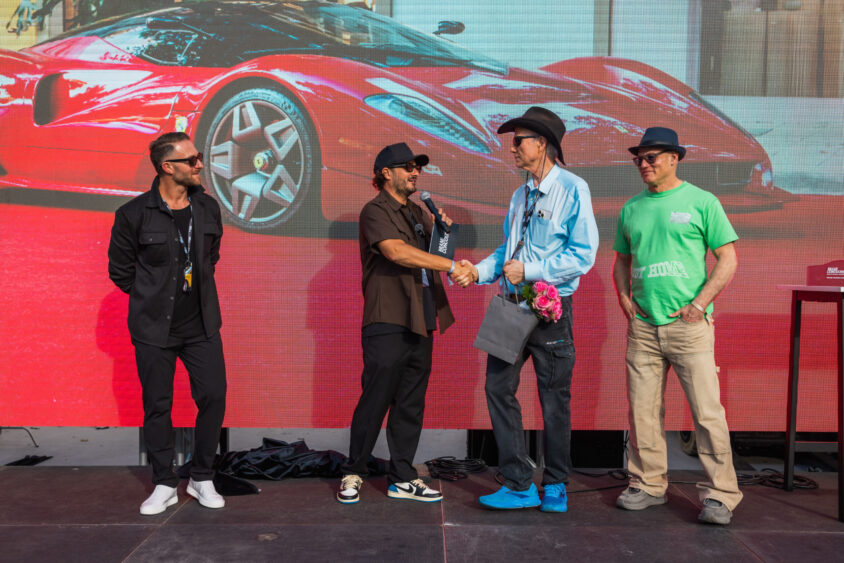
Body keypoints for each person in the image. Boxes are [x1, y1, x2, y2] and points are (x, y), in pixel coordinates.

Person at [453, 107, 599, 512]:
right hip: (510, 305)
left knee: (554, 398)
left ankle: (555, 484)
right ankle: (519, 482)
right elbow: (508, 251)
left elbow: (583, 255)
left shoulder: (572, 188)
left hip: (549, 308)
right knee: (497, 388)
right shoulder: (520, 194)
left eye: (518, 141)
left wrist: (532, 270)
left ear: (543, 144)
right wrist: (478, 270)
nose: (512, 148)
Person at [612, 127, 743, 525]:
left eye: (651, 158)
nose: (644, 165)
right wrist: (623, 297)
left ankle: (721, 494)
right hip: (644, 328)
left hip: (689, 328)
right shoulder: (631, 208)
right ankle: (648, 485)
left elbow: (728, 258)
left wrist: (699, 304)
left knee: (707, 413)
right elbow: (621, 260)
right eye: (639, 159)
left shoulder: (702, 202)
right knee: (643, 413)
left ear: (674, 158)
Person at [337, 142, 471, 504]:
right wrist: (448, 266)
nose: (415, 173)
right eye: (408, 167)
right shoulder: (374, 210)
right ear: (385, 173)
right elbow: (395, 251)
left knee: (411, 402)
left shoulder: (417, 212)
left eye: (418, 168)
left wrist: (443, 233)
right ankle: (354, 471)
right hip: (388, 317)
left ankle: (402, 477)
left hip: (421, 315)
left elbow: (438, 257)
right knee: (376, 399)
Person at [108, 132, 227, 515]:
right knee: (157, 405)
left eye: (199, 157)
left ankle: (202, 476)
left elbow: (212, 257)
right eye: (192, 159)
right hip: (154, 329)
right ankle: (164, 482)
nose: (200, 164)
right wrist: (152, 297)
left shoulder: (207, 209)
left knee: (213, 396)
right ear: (167, 167)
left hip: (202, 326)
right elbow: (121, 272)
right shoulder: (133, 214)